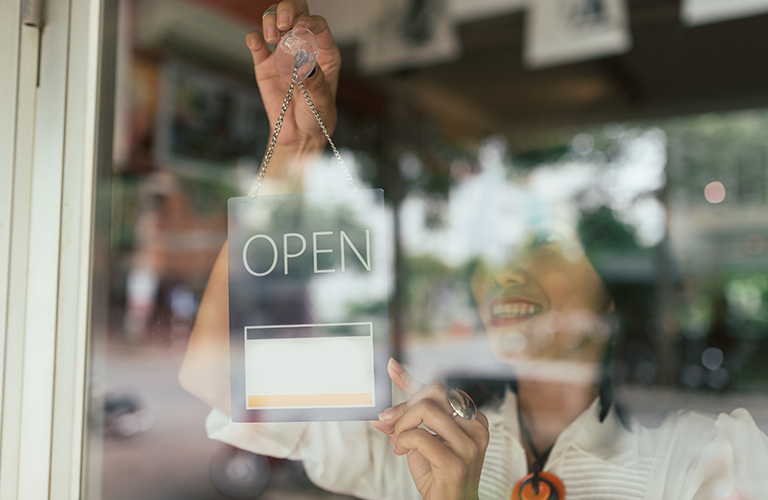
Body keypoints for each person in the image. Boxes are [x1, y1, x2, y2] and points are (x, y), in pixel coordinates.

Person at [179, 2, 768, 499]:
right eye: (492, 257)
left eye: (545, 246)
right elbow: (221, 376)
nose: (507, 274)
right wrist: (294, 148)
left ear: (611, 293)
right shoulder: (412, 433)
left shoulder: (703, 458)